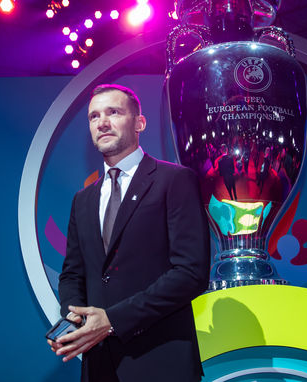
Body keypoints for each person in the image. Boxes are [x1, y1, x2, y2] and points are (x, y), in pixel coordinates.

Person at [48, 84, 210, 382]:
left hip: (161, 362)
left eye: (113, 112)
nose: (102, 122)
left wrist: (112, 320)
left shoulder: (175, 180)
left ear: (139, 123)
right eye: (94, 116)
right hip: (99, 366)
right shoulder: (82, 200)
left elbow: (191, 273)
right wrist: (75, 319)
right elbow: (72, 274)